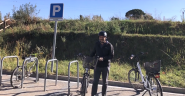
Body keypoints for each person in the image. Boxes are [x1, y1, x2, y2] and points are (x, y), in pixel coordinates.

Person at [90, 31, 114, 96]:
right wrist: (89, 58)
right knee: (95, 82)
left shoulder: (109, 45)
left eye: (103, 37)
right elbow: (93, 52)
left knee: (105, 82)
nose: (101, 38)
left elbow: (111, 56)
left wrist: (103, 58)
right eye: (100, 37)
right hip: (97, 65)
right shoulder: (96, 44)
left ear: (105, 38)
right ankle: (93, 94)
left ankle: (104, 94)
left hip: (105, 66)